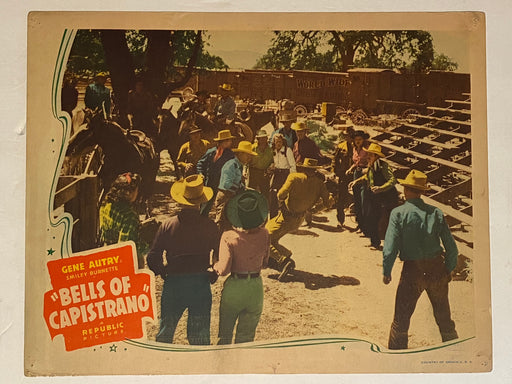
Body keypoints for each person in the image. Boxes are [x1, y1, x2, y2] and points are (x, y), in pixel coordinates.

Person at [382, 170, 459, 350]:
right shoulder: (436, 213)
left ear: (407, 190)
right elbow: (452, 248)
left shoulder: (398, 213)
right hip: (436, 268)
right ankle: (456, 352)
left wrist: (387, 271)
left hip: (412, 271)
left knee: (401, 320)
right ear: (421, 191)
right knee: (444, 318)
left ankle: (397, 357)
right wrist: (448, 269)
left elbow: (390, 248)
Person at [146, 175, 220, 345]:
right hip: (200, 283)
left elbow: (153, 256)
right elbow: (218, 255)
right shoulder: (209, 226)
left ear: (181, 200)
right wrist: (214, 271)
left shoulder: (168, 225)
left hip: (174, 283)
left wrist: (163, 271)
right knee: (199, 335)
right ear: (201, 202)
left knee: (166, 331)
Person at [214, 190, 270, 344]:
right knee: (246, 338)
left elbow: (224, 270)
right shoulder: (265, 234)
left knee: (224, 336)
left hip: (235, 287)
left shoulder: (228, 236)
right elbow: (265, 263)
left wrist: (215, 266)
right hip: (255, 287)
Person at [265, 158, 334, 281]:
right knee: (272, 238)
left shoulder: (294, 177)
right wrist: (313, 209)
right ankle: (285, 254)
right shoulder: (319, 183)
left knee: (263, 238)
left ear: (302, 168)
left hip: (286, 217)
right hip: (299, 219)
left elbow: (280, 195)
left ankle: (284, 260)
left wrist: (282, 201)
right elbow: (327, 204)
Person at [349, 143, 398, 249]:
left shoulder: (383, 166)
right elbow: (367, 177)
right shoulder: (371, 165)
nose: (368, 157)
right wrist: (356, 181)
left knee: (380, 219)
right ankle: (374, 242)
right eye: (368, 154)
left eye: (370, 155)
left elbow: (393, 180)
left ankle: (383, 243)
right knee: (370, 217)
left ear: (376, 156)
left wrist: (381, 188)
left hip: (386, 196)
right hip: (375, 196)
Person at [99, 172, 147, 268]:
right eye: (137, 190)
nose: (137, 193)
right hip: (125, 262)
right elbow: (126, 246)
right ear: (129, 193)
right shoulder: (129, 215)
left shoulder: (105, 205)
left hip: (106, 253)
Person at [213, 141, 258, 231]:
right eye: (247, 155)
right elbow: (226, 185)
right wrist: (240, 188)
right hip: (225, 197)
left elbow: (236, 182)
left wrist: (246, 188)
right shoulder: (231, 165)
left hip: (232, 197)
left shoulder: (238, 165)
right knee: (221, 224)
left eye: (250, 156)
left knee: (231, 225)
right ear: (240, 154)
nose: (249, 158)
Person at [196, 129, 235, 215]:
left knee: (223, 207)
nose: (231, 142)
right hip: (210, 183)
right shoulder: (211, 152)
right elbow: (200, 163)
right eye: (229, 140)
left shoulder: (230, 154)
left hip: (223, 184)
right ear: (222, 142)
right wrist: (201, 174)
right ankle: (201, 221)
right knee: (205, 206)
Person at [345, 130, 370, 233]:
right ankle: (360, 225)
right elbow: (356, 162)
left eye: (360, 139)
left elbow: (371, 163)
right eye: (356, 140)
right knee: (357, 200)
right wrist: (351, 168)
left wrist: (366, 170)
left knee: (364, 201)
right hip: (357, 173)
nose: (358, 142)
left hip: (365, 174)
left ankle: (366, 227)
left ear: (363, 139)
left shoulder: (367, 149)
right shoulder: (355, 149)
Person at [268, 133, 296, 218]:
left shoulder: (287, 150)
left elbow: (292, 165)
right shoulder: (273, 151)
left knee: (284, 196)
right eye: (276, 142)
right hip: (276, 175)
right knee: (273, 195)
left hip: (285, 174)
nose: (278, 144)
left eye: (280, 142)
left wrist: (292, 179)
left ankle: (286, 218)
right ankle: (273, 217)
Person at [331, 126, 355, 227]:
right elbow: (334, 160)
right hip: (343, 174)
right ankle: (340, 220)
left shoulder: (357, 147)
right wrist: (333, 171)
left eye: (349, 136)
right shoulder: (341, 146)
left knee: (356, 198)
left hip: (354, 175)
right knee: (341, 198)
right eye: (345, 136)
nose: (347, 137)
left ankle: (359, 221)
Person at [248, 129, 274, 200]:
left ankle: (265, 208)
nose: (263, 140)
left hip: (264, 173)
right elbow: (246, 160)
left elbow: (272, 161)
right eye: (261, 138)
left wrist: (271, 167)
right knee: (251, 191)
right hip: (253, 172)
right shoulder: (252, 148)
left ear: (267, 138)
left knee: (265, 193)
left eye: (264, 138)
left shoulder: (270, 150)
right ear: (257, 139)